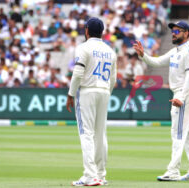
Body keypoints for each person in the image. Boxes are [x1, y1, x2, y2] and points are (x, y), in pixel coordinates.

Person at [133, 21, 189, 181]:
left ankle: (173, 171)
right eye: (173, 30)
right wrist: (143, 55)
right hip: (180, 93)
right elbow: (156, 62)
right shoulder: (176, 51)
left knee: (177, 133)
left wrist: (181, 97)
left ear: (186, 34)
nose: (173, 33)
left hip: (183, 93)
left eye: (177, 31)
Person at [66, 17, 117, 186]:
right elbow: (113, 78)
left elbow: (78, 73)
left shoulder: (83, 47)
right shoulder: (110, 51)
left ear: (87, 31)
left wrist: (71, 94)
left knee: (86, 134)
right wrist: (106, 92)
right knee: (100, 134)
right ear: (102, 32)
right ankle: (101, 175)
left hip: (87, 91)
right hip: (104, 90)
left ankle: (90, 176)